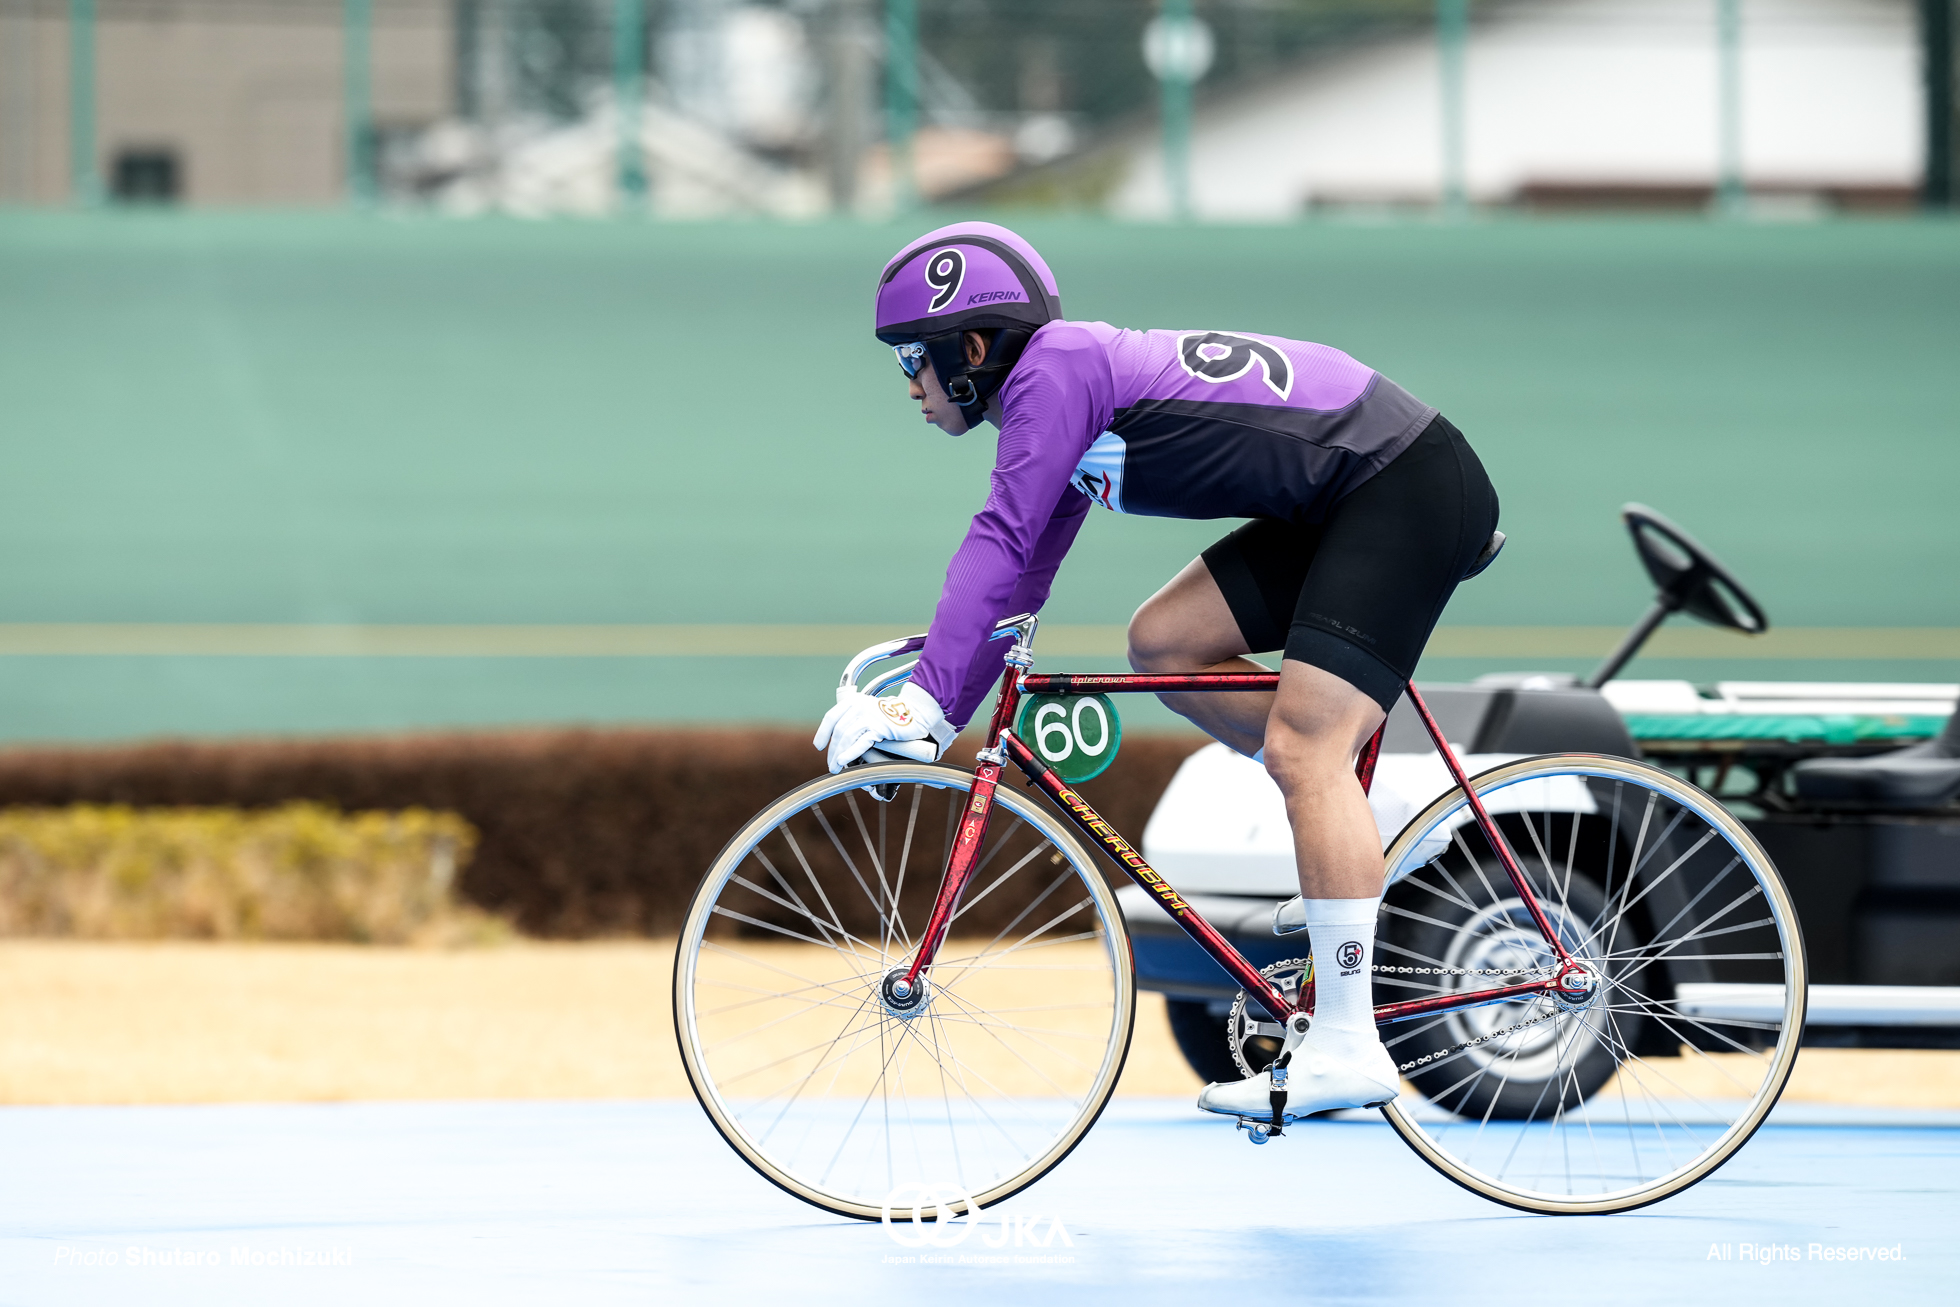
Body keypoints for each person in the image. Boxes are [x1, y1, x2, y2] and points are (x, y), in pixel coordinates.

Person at [813, 221, 1501, 1121]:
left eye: (912, 357)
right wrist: (938, 715)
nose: (908, 384)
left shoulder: (1053, 373)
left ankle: (1348, 1044)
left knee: (1305, 752)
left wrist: (923, 703)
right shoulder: (1056, 387)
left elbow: (1000, 538)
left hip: (1402, 485)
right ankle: (1369, 825)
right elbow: (1020, 575)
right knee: (1165, 643)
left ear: (971, 348)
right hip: (1353, 492)